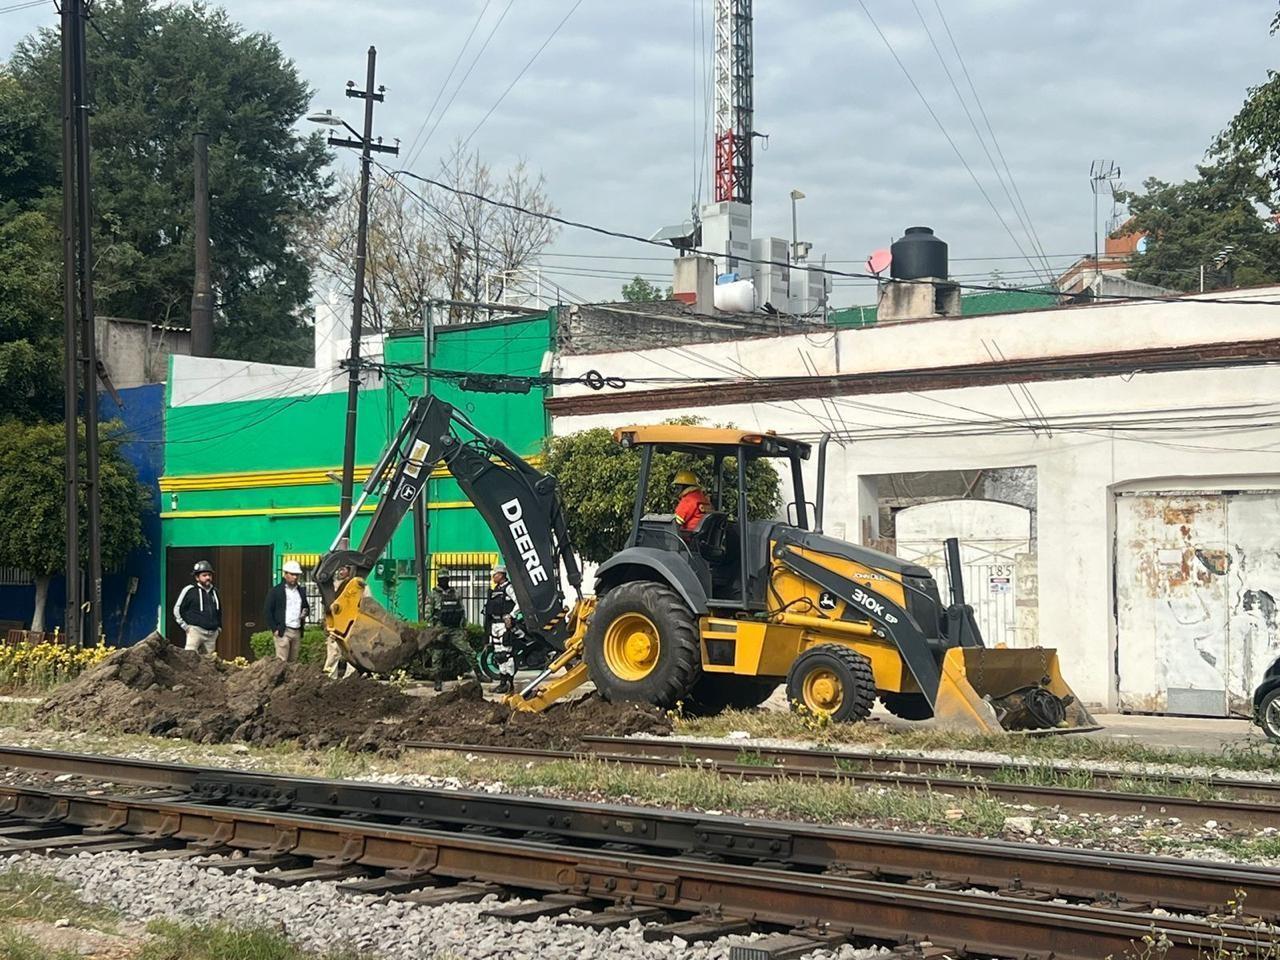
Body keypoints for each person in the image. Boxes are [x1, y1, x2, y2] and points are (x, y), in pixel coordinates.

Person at [426, 571, 480, 692]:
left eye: (446, 578)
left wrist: (463, 628)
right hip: (440, 628)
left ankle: (479, 674)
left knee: (468, 651)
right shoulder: (433, 594)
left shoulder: (455, 593)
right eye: (441, 579)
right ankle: (437, 681)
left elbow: (462, 611)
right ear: (438, 580)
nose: (444, 581)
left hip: (455, 629)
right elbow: (428, 614)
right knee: (437, 656)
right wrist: (432, 631)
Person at [264, 560, 310, 662]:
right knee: (281, 662)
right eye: (292, 574)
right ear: (285, 574)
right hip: (283, 631)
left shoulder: (301, 591)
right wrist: (274, 629)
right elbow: (267, 611)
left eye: (297, 575)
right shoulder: (276, 591)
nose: (295, 577)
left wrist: (305, 612)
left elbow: (306, 607)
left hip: (297, 630)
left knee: (293, 662)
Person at [483, 566, 519, 694]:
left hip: (504, 625)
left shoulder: (509, 588)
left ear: (501, 574)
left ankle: (510, 683)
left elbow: (519, 602)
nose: (493, 577)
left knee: (506, 654)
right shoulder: (495, 590)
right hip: (495, 625)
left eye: (495, 574)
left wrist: (511, 615)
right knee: (498, 654)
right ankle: (502, 683)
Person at [174, 560, 221, 655]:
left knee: (208, 663)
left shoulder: (214, 591)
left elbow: (219, 611)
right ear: (197, 577)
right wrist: (185, 627)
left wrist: (219, 628)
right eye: (204, 575)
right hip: (195, 631)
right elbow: (177, 609)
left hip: (212, 634)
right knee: (189, 659)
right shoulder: (190, 590)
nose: (208, 577)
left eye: (209, 575)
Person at [323, 563, 357, 678]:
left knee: (352, 653)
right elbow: (328, 606)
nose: (340, 572)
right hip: (336, 625)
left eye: (343, 569)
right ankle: (329, 676)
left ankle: (350, 678)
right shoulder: (334, 586)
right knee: (333, 652)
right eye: (339, 569)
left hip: (351, 626)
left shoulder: (359, 586)